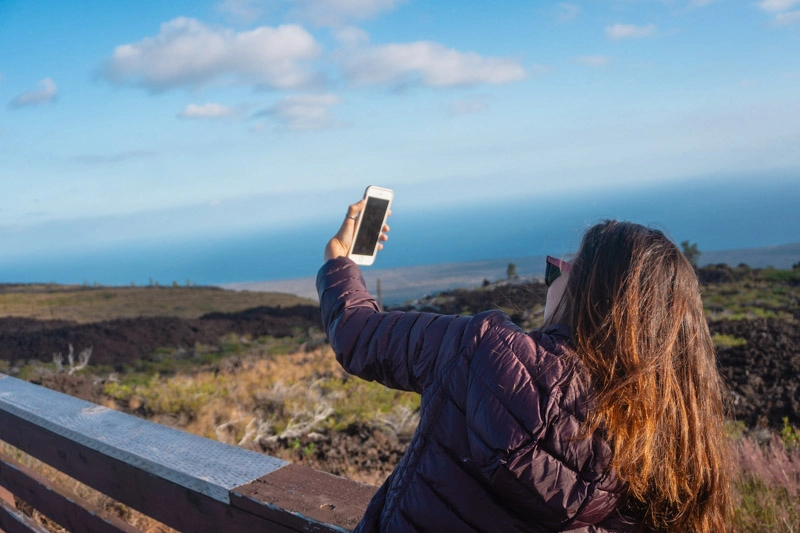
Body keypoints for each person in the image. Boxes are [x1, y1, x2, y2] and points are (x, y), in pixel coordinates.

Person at [317, 200, 732, 532]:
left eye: (560, 270)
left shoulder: (483, 347)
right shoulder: (663, 433)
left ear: (587, 294)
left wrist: (338, 257)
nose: (551, 278)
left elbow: (357, 333)